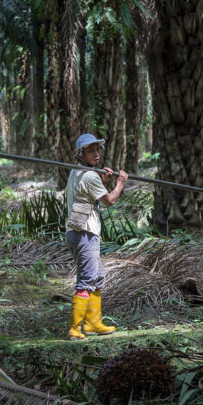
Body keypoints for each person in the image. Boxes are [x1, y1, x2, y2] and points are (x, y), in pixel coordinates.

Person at [65, 134, 128, 340]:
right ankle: (75, 329)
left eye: (97, 149)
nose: (96, 153)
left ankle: (92, 323)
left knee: (98, 275)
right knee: (86, 280)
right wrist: (120, 183)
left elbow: (88, 196)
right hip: (86, 234)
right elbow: (109, 200)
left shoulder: (76, 172)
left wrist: (104, 181)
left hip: (77, 231)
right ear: (80, 153)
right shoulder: (90, 176)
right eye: (91, 150)